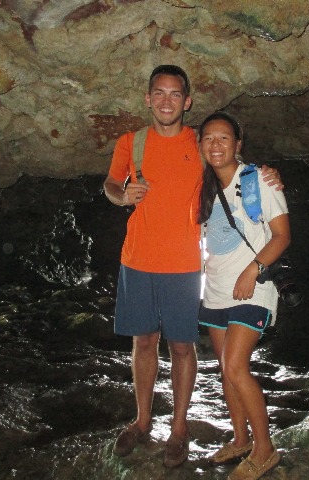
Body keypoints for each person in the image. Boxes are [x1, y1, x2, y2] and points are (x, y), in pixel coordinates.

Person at [103, 65, 282, 468]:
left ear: (187, 101)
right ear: (148, 99)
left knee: (182, 346)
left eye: (175, 94)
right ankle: (142, 421)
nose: (166, 101)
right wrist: (121, 195)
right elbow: (111, 184)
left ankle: (179, 428)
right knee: (143, 342)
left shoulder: (197, 143)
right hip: (137, 259)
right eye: (159, 93)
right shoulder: (131, 143)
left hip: (185, 264)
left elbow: (229, 159)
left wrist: (267, 173)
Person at [197, 111, 289, 480]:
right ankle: (240, 440)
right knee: (226, 371)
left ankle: (265, 450)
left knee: (236, 367)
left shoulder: (258, 181)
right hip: (216, 291)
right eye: (208, 138)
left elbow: (282, 236)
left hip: (253, 289)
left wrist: (253, 269)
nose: (215, 144)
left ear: (238, 144)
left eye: (223, 137)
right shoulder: (204, 187)